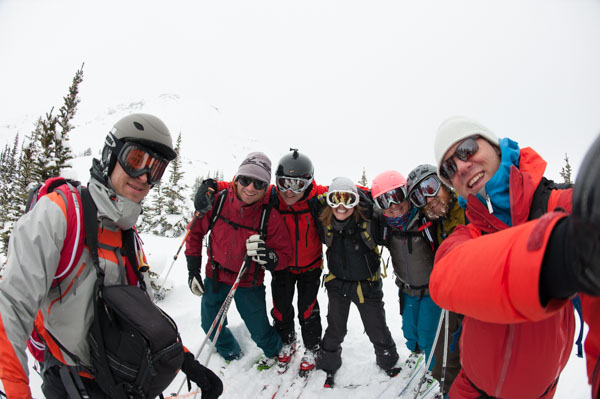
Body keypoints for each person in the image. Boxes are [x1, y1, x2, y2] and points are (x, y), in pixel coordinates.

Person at [0, 113, 223, 399]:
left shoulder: (128, 234)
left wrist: (186, 362)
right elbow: (11, 309)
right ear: (111, 154)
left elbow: (139, 316)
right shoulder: (61, 214)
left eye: (155, 169)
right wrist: (17, 392)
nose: (144, 176)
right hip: (71, 382)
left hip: (120, 383)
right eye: (136, 160)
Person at [430, 116, 600, 398]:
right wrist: (554, 256)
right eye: (448, 168)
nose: (461, 166)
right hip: (470, 387)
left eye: (467, 149)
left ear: (495, 146)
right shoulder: (468, 232)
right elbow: (445, 274)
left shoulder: (559, 206)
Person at [185, 152, 293, 370]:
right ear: (236, 179)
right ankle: (230, 352)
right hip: (214, 276)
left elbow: (285, 255)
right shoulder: (218, 200)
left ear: (266, 187)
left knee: (259, 329)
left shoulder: (268, 215)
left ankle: (275, 352)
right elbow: (194, 233)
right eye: (245, 180)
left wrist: (268, 256)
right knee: (210, 324)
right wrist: (193, 270)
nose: (251, 188)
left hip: (248, 283)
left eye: (259, 183)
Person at [315, 177, 400, 388]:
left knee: (376, 327)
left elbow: (393, 226)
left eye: (348, 199)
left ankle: (388, 360)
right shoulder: (324, 222)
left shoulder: (370, 220)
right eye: (336, 199)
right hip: (338, 285)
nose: (341, 207)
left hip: (367, 285)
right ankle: (328, 365)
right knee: (335, 329)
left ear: (356, 201)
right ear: (328, 202)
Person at [371, 170, 441, 387]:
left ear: (407, 194)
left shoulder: (425, 219)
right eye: (385, 200)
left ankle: (433, 368)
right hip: (407, 288)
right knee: (409, 330)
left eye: (397, 196)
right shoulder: (386, 227)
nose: (392, 205)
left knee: (428, 332)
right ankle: (416, 352)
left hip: (432, 290)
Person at [406, 164, 466, 396]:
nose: (428, 199)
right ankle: (447, 390)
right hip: (454, 300)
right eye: (419, 196)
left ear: (444, 183)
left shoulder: (467, 206)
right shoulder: (435, 222)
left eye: (430, 187)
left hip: (481, 299)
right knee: (444, 355)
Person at [267, 149, 328, 375]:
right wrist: (212, 185)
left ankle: (313, 346)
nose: (290, 192)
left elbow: (349, 191)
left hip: (310, 267)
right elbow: (245, 185)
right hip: (282, 266)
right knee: (281, 308)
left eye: (298, 185)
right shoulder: (272, 197)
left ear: (309, 183)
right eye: (284, 183)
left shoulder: (316, 197)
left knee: (308, 310)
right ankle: (287, 340)